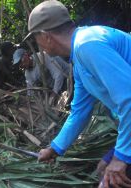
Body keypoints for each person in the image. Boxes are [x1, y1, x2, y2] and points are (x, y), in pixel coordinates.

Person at [23, 1, 131, 187]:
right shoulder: (80, 58)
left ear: (46, 36)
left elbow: (129, 99)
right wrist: (55, 148)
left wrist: (121, 157)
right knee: (104, 168)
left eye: (36, 39)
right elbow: (79, 111)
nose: (39, 46)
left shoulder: (88, 45)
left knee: (111, 181)